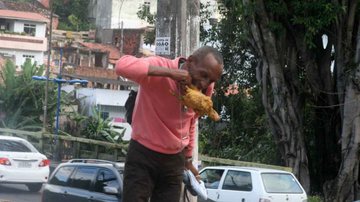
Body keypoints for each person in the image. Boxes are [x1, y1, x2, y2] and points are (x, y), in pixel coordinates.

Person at [115, 46, 223, 202]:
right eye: (203, 75)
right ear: (190, 61)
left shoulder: (205, 88)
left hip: (174, 161)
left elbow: (191, 121)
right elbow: (121, 66)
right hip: (142, 153)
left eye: (211, 80)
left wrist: (188, 160)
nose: (204, 84)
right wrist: (171, 74)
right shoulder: (162, 66)